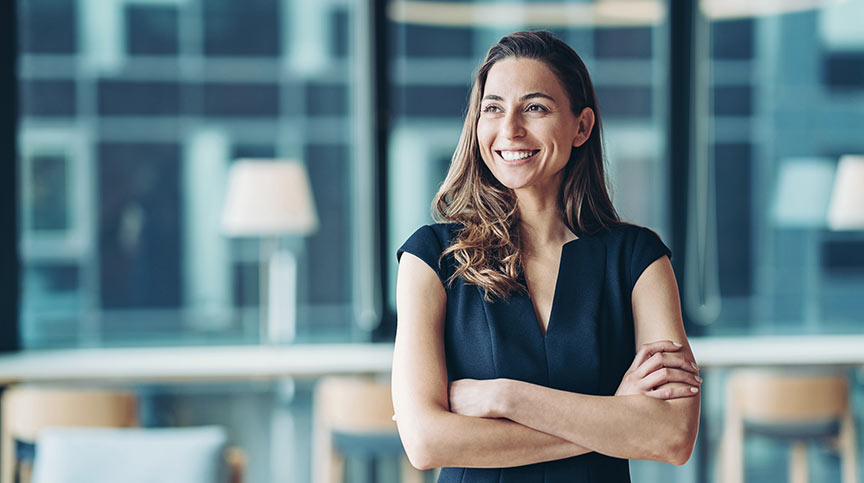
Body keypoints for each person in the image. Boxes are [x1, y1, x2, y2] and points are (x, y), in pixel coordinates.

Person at [392, 30, 700, 482]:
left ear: (582, 127)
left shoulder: (638, 260)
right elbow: (426, 442)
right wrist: (617, 419)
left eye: (535, 108)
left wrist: (505, 398)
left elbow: (672, 436)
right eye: (493, 108)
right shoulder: (431, 258)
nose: (510, 129)